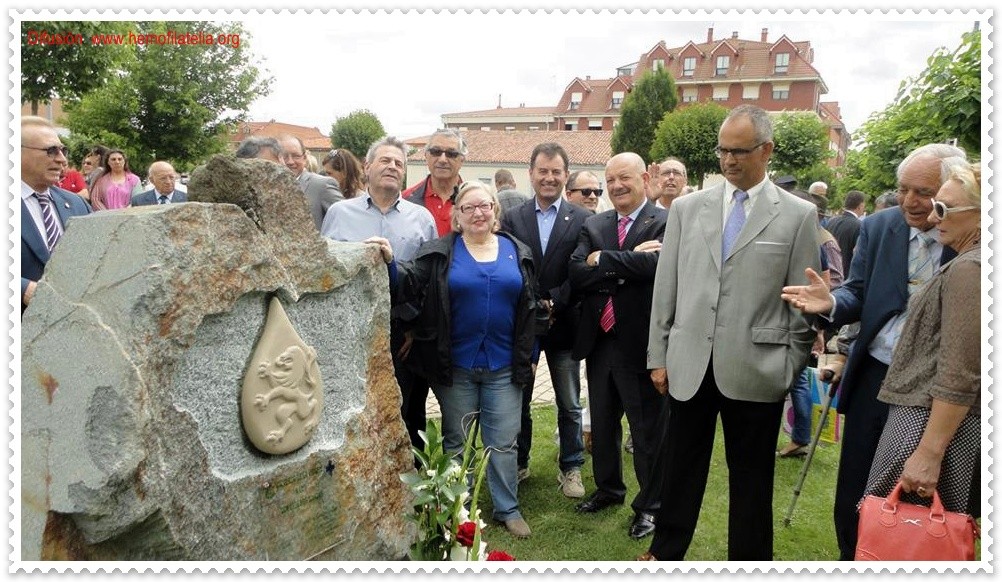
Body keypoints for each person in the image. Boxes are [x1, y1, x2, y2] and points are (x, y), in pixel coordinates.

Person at [643, 105, 819, 561]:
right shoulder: (686, 208)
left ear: (767, 150)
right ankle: (666, 553)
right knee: (680, 470)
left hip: (757, 366)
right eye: (723, 150)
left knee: (752, 479)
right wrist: (658, 354)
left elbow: (803, 297)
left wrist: (789, 363)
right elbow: (668, 286)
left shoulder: (798, 215)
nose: (728, 160)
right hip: (690, 364)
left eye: (739, 151)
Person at [780, 142, 965, 560]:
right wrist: (831, 304)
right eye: (903, 189)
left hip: (934, 389)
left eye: (924, 192)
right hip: (875, 376)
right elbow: (858, 292)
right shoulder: (880, 226)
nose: (910, 202)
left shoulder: (973, 238)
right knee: (855, 489)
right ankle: (853, 556)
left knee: (918, 489)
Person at [384, 181, 543, 539]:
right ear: (457, 216)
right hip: (455, 367)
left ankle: (507, 508)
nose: (478, 213)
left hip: (504, 367)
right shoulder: (442, 252)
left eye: (485, 206)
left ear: (495, 212)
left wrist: (530, 355)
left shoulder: (517, 251)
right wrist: (391, 261)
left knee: (503, 442)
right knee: (457, 442)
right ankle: (460, 506)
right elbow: (408, 281)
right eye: (468, 208)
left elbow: (532, 306)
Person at [861, 158, 980, 518]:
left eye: (942, 207)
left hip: (924, 424)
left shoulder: (970, 269)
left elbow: (960, 372)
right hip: (929, 420)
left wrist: (929, 452)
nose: (932, 217)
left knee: (908, 534)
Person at [568, 152, 667, 540]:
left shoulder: (665, 221)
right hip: (600, 343)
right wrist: (625, 265)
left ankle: (650, 506)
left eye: (623, 178)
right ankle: (608, 490)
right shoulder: (595, 223)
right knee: (604, 425)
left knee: (646, 433)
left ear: (644, 178)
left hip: (641, 345)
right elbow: (576, 274)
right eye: (609, 181)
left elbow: (657, 268)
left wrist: (603, 261)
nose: (615, 187)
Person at [321, 136, 437, 452]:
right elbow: (324, 272)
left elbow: (430, 283)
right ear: (367, 166)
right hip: (351, 331)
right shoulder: (339, 213)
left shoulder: (422, 219)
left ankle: (411, 491)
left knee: (407, 414)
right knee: (353, 409)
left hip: (403, 336)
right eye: (385, 160)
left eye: (399, 163)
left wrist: (416, 328)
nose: (392, 167)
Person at [501, 142, 590, 498]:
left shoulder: (583, 219)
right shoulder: (513, 218)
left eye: (556, 172)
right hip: (524, 327)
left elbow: (581, 268)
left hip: (565, 325)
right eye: (543, 171)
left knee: (569, 402)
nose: (549, 178)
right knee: (520, 399)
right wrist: (533, 301)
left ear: (565, 176)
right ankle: (520, 462)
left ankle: (571, 467)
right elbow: (510, 264)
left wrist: (556, 300)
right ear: (531, 174)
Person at [20, 116, 92, 313]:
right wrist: (22, 289)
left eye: (63, 150)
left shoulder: (77, 203)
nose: (62, 159)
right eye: (51, 151)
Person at [404, 129, 466, 236]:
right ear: (426, 156)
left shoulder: (476, 204)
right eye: (436, 152)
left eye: (451, 154)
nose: (442, 159)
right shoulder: (405, 200)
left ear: (462, 160)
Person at [278, 135, 344, 230]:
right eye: (284, 156)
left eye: (296, 156)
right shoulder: (268, 187)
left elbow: (344, 218)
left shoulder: (322, 185)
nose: (290, 161)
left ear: (304, 158)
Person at [826, 190, 867, 275]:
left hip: (829, 270)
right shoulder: (859, 225)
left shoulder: (832, 221)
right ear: (860, 206)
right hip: (847, 273)